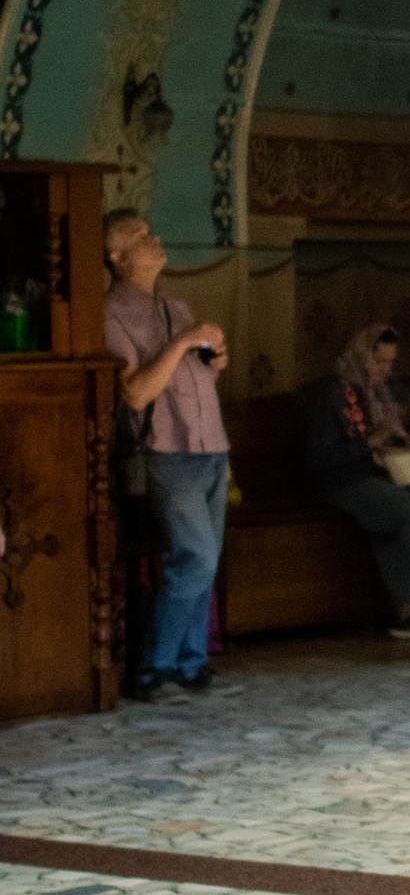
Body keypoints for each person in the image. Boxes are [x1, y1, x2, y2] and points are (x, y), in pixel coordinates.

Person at [102, 209, 231, 699]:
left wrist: (212, 359)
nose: (155, 238)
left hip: (211, 445)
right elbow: (135, 393)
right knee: (194, 557)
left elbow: (190, 375)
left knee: (209, 558)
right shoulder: (110, 314)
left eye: (153, 231)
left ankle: (191, 665)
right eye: (140, 236)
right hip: (166, 451)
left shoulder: (176, 306)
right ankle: (153, 670)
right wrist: (181, 342)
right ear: (116, 258)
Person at [305, 324, 410, 639]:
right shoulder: (333, 395)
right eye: (379, 362)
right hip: (347, 479)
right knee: (406, 512)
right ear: (361, 356)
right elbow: (321, 457)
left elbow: (403, 430)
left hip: (394, 473)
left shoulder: (391, 390)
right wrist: (370, 442)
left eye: (390, 363)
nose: (385, 370)